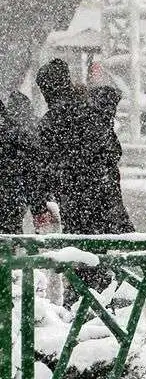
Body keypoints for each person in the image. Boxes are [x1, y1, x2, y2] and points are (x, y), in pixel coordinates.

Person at [36, 59, 135, 298]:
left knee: (82, 255)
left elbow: (44, 167)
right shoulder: (92, 110)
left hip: (75, 202)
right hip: (104, 197)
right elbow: (113, 151)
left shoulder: (51, 122)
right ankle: (109, 303)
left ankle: (86, 303)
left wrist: (43, 198)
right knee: (109, 256)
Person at [0, 91, 54, 234]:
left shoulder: (12, 132)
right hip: (12, 198)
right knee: (11, 234)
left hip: (11, 197)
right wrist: (39, 206)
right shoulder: (19, 132)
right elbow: (34, 170)